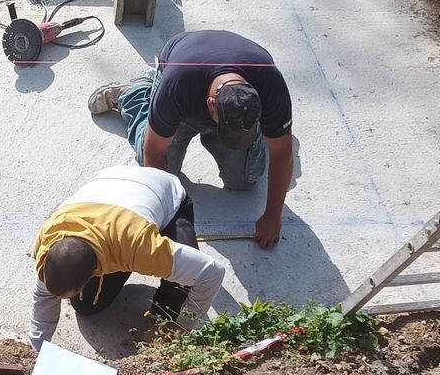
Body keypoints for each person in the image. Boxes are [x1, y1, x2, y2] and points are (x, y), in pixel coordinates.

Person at [88, 28, 295, 249]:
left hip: (222, 89)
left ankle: (269, 128)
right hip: (183, 85)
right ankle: (135, 94)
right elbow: (154, 152)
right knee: (163, 172)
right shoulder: (176, 87)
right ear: (211, 104)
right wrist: (166, 218)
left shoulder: (270, 84)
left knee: (245, 181)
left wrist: (273, 217)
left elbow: (283, 155)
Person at [28, 164, 227, 350]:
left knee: (182, 284)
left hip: (163, 192)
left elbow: (211, 272)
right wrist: (39, 349)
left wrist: (183, 326)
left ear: (95, 271)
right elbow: (44, 295)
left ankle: (167, 319)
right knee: (86, 305)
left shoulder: (140, 246)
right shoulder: (48, 239)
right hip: (111, 185)